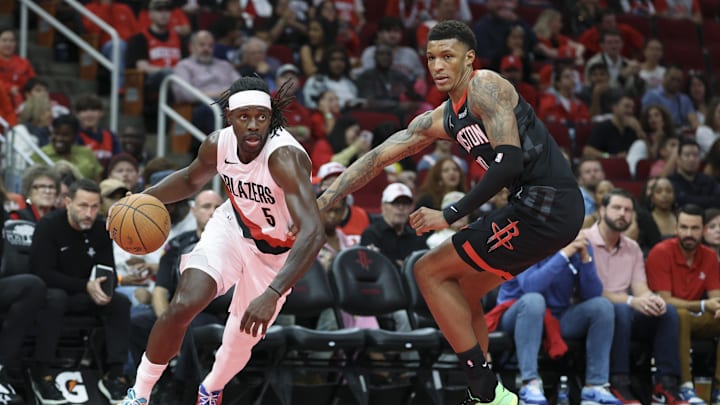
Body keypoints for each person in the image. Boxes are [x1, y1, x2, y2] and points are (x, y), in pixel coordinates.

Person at [316, 20, 584, 405]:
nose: (438, 66)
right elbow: (377, 158)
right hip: (538, 208)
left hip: (548, 203)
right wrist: (326, 197)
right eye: (431, 58)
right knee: (461, 291)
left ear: (469, 59)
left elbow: (508, 163)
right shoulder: (442, 118)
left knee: (427, 270)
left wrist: (449, 213)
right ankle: (490, 397)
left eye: (447, 57)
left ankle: (484, 389)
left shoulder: (485, 86)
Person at [119, 76, 326, 405]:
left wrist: (273, 293)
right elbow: (190, 179)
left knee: (237, 342)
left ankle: (210, 389)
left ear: (271, 117)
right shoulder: (218, 143)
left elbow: (314, 232)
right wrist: (144, 198)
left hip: (276, 255)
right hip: (232, 227)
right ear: (229, 117)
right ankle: (139, 394)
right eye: (245, 117)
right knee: (184, 304)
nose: (254, 125)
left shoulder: (284, 157)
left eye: (262, 116)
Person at [29, 179, 132, 403]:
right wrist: (84, 286)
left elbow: (108, 270)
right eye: (83, 206)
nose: (89, 213)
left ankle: (114, 375)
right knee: (54, 298)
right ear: (67, 202)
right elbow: (41, 273)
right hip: (54, 293)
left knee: (120, 302)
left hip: (87, 294)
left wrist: (104, 289)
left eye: (94, 207)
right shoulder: (49, 225)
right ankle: (42, 372)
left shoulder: (101, 229)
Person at [491, 230, 617, 405]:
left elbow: (592, 294)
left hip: (557, 317)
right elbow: (531, 286)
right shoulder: (524, 242)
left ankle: (594, 386)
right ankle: (530, 382)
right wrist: (563, 254)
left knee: (602, 307)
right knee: (534, 301)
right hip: (517, 312)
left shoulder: (575, 245)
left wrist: (585, 257)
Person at [586, 189, 687, 405]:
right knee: (618, 309)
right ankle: (618, 381)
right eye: (617, 208)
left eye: (628, 210)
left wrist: (653, 299)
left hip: (626, 310)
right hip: (594, 313)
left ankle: (665, 384)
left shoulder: (632, 247)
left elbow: (640, 289)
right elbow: (590, 292)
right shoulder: (585, 241)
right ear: (602, 210)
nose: (623, 214)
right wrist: (633, 301)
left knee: (667, 312)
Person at [646, 204, 720, 405]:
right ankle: (685, 386)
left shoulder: (710, 256)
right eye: (684, 227)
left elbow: (716, 299)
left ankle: (719, 388)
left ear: (703, 230)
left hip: (696, 319)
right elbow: (666, 300)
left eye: (695, 228)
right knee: (679, 314)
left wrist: (714, 306)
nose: (689, 233)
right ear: (676, 228)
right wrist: (704, 305)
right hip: (664, 320)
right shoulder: (660, 252)